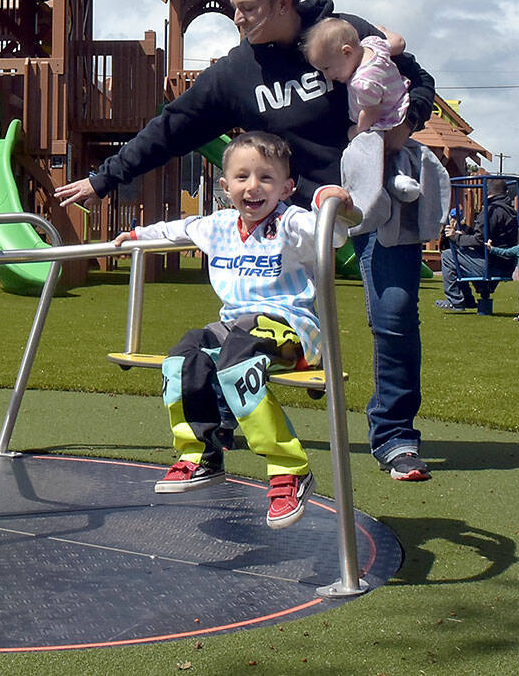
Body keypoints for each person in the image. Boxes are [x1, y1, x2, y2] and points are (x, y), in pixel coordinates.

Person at [56, 0, 439, 482]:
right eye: (234, 8)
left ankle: (395, 436)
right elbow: (171, 128)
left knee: (395, 311)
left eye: (247, 8)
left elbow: (415, 79)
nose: (236, 18)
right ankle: (223, 418)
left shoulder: (340, 33)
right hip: (304, 212)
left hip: (376, 194)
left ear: (283, 3)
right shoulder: (236, 74)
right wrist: (103, 179)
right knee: (247, 315)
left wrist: (406, 122)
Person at [114, 132, 351, 527]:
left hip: (288, 325)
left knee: (237, 360)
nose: (252, 187)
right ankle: (201, 453)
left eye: (266, 178)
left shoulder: (290, 223)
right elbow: (179, 229)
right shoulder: (219, 226)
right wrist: (138, 235)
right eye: (242, 177)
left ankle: (289, 468)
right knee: (182, 357)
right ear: (225, 187)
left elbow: (333, 234)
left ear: (287, 187)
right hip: (234, 327)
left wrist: (332, 203)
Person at [302, 17, 420, 227]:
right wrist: (383, 30)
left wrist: (357, 130)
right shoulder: (372, 45)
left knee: (363, 152)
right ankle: (401, 176)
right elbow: (399, 43)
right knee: (397, 150)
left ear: (346, 52)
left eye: (327, 68)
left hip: (384, 118)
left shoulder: (361, 82)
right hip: (400, 99)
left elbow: (371, 111)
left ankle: (383, 187)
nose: (327, 76)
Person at [435, 178, 519, 310]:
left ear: (487, 192)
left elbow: (480, 240)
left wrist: (455, 237)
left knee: (448, 256)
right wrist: (463, 235)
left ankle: (456, 300)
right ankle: (467, 299)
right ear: (506, 192)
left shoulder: (491, 211)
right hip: (507, 264)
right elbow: (487, 237)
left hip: (492, 264)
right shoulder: (511, 211)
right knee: (460, 253)